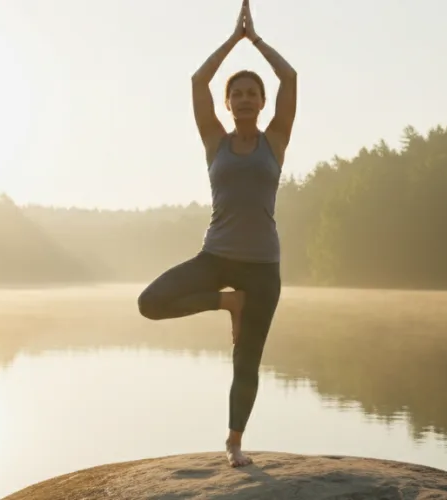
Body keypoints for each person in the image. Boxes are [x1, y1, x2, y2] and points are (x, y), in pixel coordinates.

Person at [136, 0, 297, 468]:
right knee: (150, 302)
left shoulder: (276, 139)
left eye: (252, 94)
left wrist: (257, 41)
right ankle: (228, 302)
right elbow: (196, 82)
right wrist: (232, 41)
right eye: (238, 94)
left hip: (264, 267)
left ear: (262, 104)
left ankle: (233, 442)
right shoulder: (214, 141)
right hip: (217, 258)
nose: (245, 99)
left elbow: (289, 79)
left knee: (246, 360)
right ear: (228, 105)